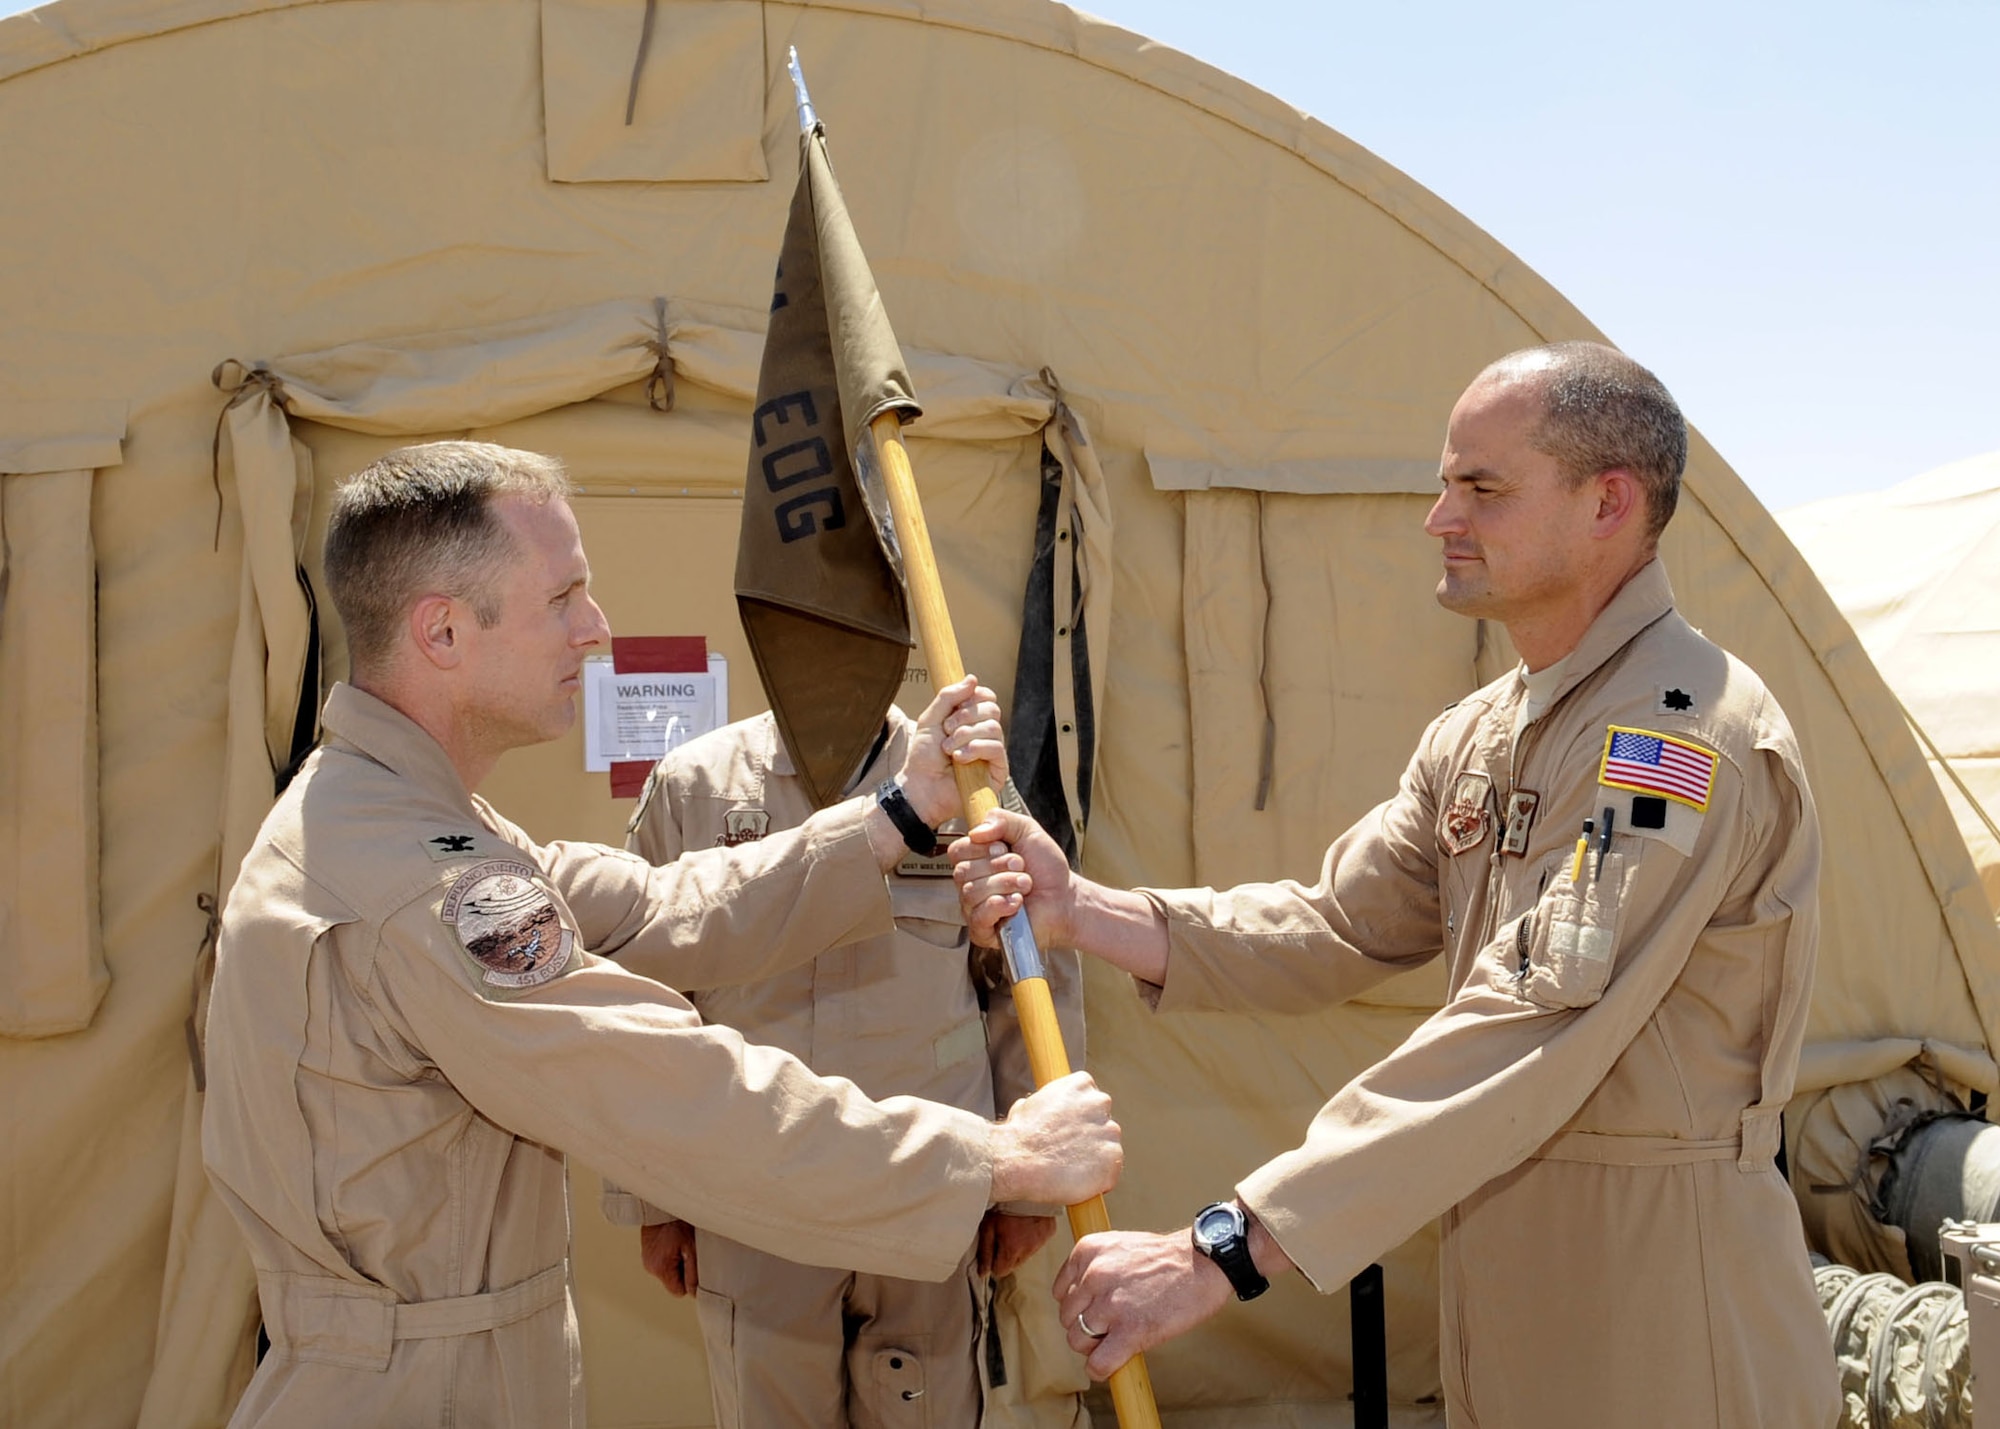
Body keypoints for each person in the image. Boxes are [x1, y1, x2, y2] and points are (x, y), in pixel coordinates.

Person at [954, 343, 1840, 1428]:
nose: (1437, 516)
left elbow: (1523, 1020)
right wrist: (1083, 911)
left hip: (1659, 1300)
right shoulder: (1483, 732)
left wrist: (1219, 1249)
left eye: (1481, 487)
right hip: (1505, 1289)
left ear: (1608, 502)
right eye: (1442, 481)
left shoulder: (1673, 735)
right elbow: (1335, 924)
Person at [200, 440, 1122, 1429]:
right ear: (443, 631)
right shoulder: (417, 880)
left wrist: (897, 815)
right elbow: (666, 1087)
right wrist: (993, 1159)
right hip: (415, 1393)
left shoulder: (403, 822)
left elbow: (658, 909)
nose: (595, 630)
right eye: (562, 598)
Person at [603, 706, 1085, 1427]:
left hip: (929, 1187)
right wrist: (650, 1201)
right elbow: (638, 998)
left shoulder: (973, 790)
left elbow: (1031, 978)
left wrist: (1026, 1195)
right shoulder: (695, 787)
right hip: (755, 1196)